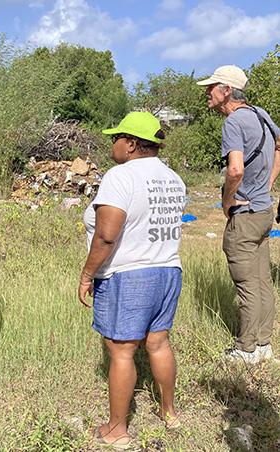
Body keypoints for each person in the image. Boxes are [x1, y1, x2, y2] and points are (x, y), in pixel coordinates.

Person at [78, 112, 186, 448]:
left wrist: (87, 275)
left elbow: (107, 236)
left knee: (122, 351)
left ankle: (117, 430)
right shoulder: (173, 179)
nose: (113, 144)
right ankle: (169, 413)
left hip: (129, 275)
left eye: (116, 138)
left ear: (131, 144)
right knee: (158, 343)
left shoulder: (121, 176)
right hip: (168, 270)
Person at [197, 65, 280, 364]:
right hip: (264, 211)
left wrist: (227, 202)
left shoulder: (233, 123)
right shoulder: (261, 114)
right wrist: (268, 183)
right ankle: (264, 344)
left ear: (227, 91)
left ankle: (246, 349)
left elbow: (235, 169)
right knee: (261, 280)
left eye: (212, 87)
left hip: (245, 215)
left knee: (246, 284)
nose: (207, 92)